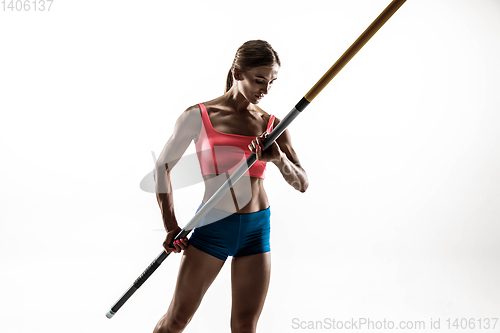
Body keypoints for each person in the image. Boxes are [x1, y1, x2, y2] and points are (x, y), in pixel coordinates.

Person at [152, 40, 309, 333]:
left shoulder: (272, 124)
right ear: (238, 74)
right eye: (259, 80)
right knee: (175, 321)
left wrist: (278, 160)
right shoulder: (198, 116)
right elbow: (162, 170)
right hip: (212, 227)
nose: (265, 89)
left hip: (256, 230)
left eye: (272, 82)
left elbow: (302, 183)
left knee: (245, 327)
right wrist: (170, 225)